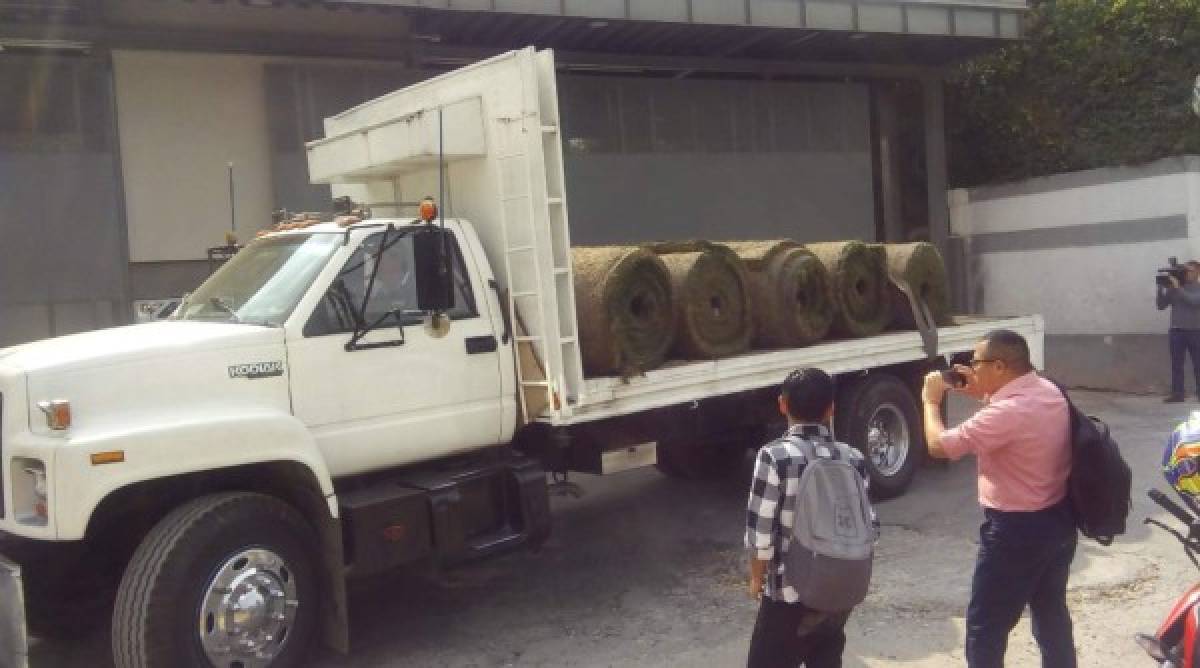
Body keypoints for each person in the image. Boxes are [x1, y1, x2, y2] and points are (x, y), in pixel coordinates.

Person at [920, 329, 1076, 668]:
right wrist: (982, 390)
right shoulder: (1048, 390)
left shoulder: (1006, 413)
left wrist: (931, 401)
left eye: (977, 362)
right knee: (1050, 612)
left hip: (1016, 531)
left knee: (985, 627)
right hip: (1059, 519)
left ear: (1001, 366)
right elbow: (1011, 412)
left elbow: (939, 446)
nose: (973, 369)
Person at [745, 367, 874, 668]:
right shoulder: (852, 457)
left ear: (783, 405)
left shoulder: (775, 456)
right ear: (831, 409)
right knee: (826, 658)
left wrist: (756, 578)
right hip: (841, 589)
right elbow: (871, 527)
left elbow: (760, 531)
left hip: (789, 592)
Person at [1158, 261, 1200, 403]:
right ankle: (1178, 394)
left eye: (1190, 271)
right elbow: (1161, 305)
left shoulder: (1197, 288)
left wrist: (1178, 288)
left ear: (1197, 273)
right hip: (1176, 331)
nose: (1187, 273)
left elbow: (1194, 301)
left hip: (1195, 331)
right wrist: (1160, 289)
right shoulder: (1175, 288)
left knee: (1198, 363)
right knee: (1176, 364)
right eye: (1186, 271)